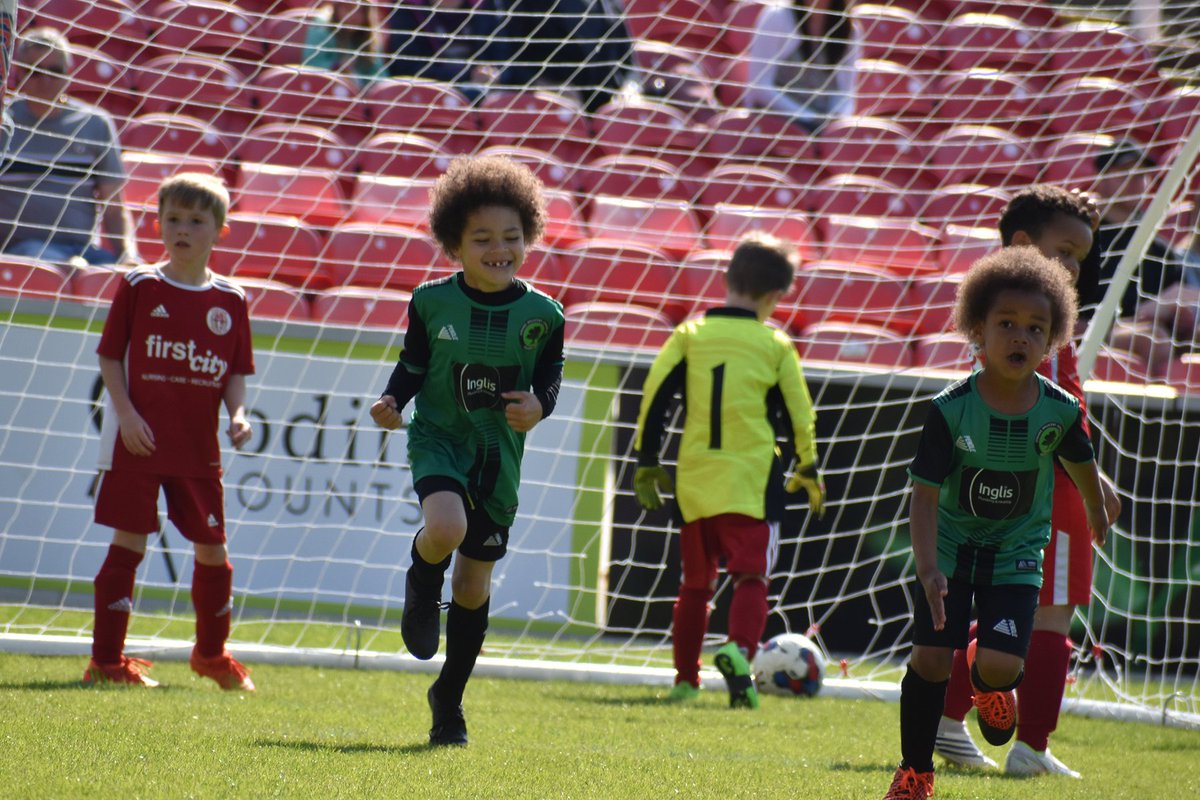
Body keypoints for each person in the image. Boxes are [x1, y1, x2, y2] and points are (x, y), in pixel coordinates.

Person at [883, 246, 1111, 800]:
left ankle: (988, 682)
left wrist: (1096, 510)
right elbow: (924, 496)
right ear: (976, 329)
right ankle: (915, 774)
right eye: (1006, 323)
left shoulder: (1059, 409)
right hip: (950, 551)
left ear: (1052, 339)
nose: (1020, 337)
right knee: (930, 659)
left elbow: (1081, 460)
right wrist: (928, 567)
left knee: (1002, 667)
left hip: (1015, 555)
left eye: (1035, 328)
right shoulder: (949, 409)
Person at [369, 155, 564, 746]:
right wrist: (392, 400)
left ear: (528, 237)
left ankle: (448, 701)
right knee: (446, 528)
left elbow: (549, 379)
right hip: (440, 439)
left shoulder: (544, 314)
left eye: (511, 236)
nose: (499, 248)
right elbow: (413, 364)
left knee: (474, 587)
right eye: (482, 238)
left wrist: (538, 406)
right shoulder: (431, 302)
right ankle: (421, 578)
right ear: (454, 244)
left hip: (498, 457)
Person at [932, 185, 1123, 777]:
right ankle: (1031, 747)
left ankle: (945, 719)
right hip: (1048, 486)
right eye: (1064, 250)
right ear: (1021, 242)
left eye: (1081, 257)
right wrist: (1094, 481)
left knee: (1012, 617)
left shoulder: (999, 315)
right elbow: (1057, 411)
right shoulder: (1033, 323)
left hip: (1001, 482)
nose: (1074, 266)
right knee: (1052, 615)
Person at [631, 232, 825, 709]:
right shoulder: (774, 344)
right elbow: (799, 413)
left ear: (727, 279)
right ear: (776, 295)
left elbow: (655, 397)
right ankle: (739, 651)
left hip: (696, 481)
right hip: (751, 483)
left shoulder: (690, 335)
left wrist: (647, 460)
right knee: (751, 579)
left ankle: (685, 680)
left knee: (694, 587)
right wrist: (807, 464)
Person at [85, 172, 256, 691]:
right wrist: (126, 416)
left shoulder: (231, 299)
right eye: (173, 219)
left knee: (212, 548)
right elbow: (110, 357)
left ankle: (211, 655)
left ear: (220, 230)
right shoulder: (140, 285)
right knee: (129, 543)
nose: (182, 229)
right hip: (138, 442)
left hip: (197, 450)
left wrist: (238, 415)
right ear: (158, 224)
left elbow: (235, 373)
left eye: (196, 221)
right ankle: (106, 662)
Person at [0, 28, 137, 266]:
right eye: (36, 71)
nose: (46, 81)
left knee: (130, 276)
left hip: (84, 252)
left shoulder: (95, 123)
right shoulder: (4, 122)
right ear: (19, 74)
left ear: (68, 74)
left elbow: (114, 207)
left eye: (54, 71)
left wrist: (128, 255)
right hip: (20, 253)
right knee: (58, 263)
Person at [1089, 139, 1187, 376]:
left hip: (1157, 334)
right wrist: (1144, 313)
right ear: (1102, 178)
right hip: (1090, 334)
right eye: (1125, 171)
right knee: (1152, 340)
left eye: (1142, 173)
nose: (1135, 179)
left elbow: (1180, 310)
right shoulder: (1083, 237)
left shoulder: (1159, 250)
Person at [744, 0, 857, 133]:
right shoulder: (777, 16)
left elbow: (845, 93)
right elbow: (759, 87)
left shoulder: (849, 29)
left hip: (823, 126)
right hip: (776, 121)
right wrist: (808, 118)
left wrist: (835, 120)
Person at [384, 0, 512, 99]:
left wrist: (493, 74)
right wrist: (468, 75)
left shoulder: (485, 6)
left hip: (484, 90)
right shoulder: (407, 8)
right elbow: (407, 67)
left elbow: (505, 58)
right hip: (425, 92)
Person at [303, 0, 390, 87]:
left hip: (361, 93)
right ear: (337, 7)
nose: (354, 15)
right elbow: (312, 66)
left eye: (360, 10)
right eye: (348, 8)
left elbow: (379, 76)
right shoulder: (321, 30)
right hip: (326, 89)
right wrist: (338, 68)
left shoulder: (369, 39)